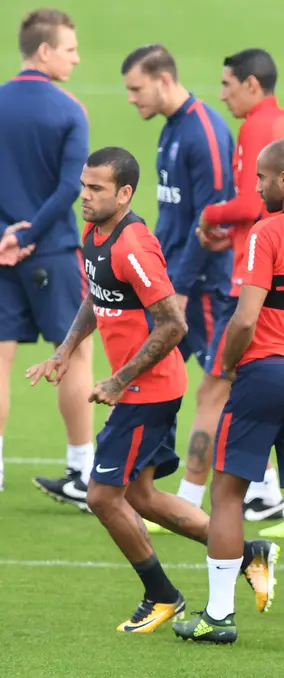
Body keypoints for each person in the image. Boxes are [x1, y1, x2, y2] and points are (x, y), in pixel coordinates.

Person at [26, 147, 276, 632]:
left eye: (96, 188)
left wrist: (119, 380)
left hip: (148, 390)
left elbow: (174, 324)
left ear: (124, 194)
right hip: (136, 388)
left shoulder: (133, 246)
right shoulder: (94, 232)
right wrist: (65, 350)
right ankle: (251, 553)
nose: (85, 196)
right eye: (83, 185)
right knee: (140, 495)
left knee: (101, 495)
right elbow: (95, 294)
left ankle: (162, 595)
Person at [173, 138, 284, 650]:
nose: (257, 189)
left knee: (227, 492)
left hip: (266, 374)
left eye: (263, 180)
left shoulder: (268, 232)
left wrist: (225, 366)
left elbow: (246, 318)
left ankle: (220, 615)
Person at [198, 48, 284, 524]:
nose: (222, 93)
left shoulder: (256, 127)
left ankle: (188, 498)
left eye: (227, 83)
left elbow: (254, 203)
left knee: (216, 386)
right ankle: (267, 491)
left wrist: (210, 216)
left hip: (252, 276)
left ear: (252, 84)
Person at [120, 44, 234, 521]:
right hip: (173, 283)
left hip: (201, 290)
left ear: (163, 80)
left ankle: (187, 499)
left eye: (136, 88)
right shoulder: (171, 128)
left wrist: (180, 288)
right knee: (155, 376)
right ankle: (144, 480)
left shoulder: (203, 131)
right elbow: (175, 215)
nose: (130, 98)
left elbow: (212, 219)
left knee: (219, 389)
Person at [0, 9, 94, 501]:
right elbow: (71, 186)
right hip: (55, 251)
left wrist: (7, 235)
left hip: (1, 253)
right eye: (70, 49)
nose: (76, 59)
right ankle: (81, 471)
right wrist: (32, 231)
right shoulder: (69, 109)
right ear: (44, 51)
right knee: (74, 355)